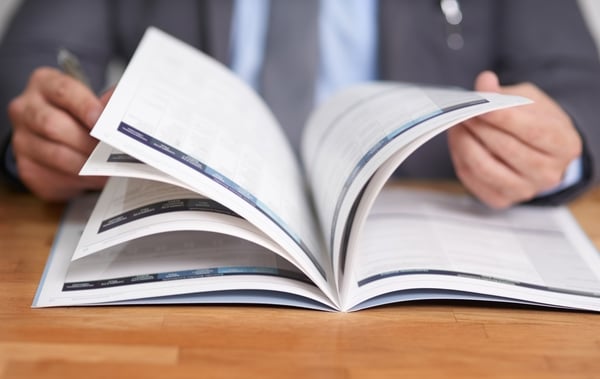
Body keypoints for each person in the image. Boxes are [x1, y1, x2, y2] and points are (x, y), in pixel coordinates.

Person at [0, 0, 599, 209]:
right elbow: (32, 55)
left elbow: (580, 87)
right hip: (181, 225)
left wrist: (559, 147)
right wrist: (38, 130)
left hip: (428, 246)